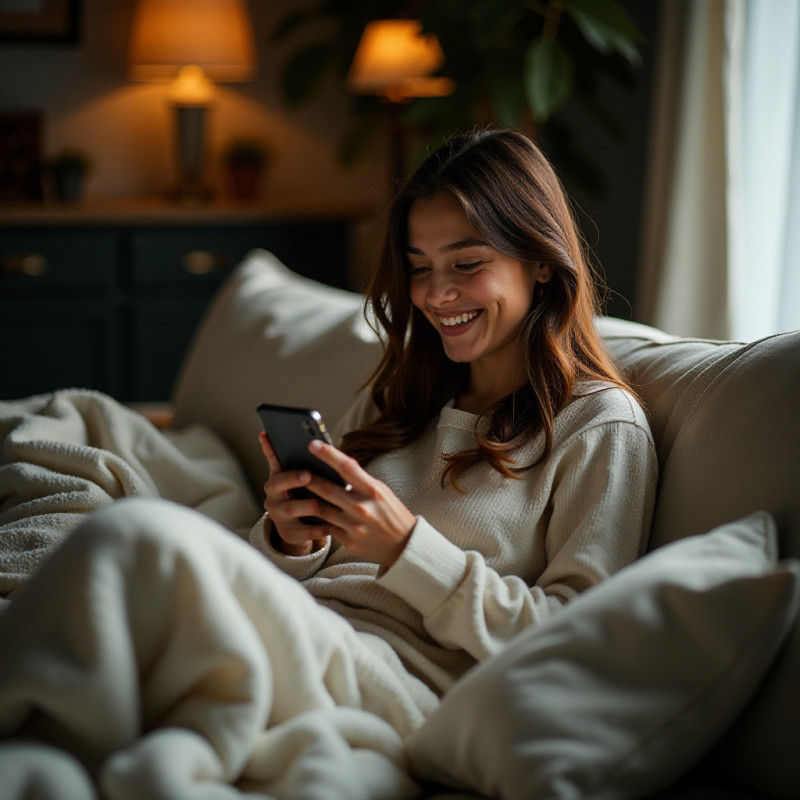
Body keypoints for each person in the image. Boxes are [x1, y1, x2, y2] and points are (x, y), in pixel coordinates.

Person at [253, 127, 658, 692]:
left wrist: (406, 550)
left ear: (540, 261)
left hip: (380, 677)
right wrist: (292, 539)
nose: (436, 294)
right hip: (282, 632)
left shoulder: (599, 426)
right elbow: (284, 574)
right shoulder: (399, 396)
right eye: (420, 267)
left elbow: (576, 639)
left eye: (467, 263)